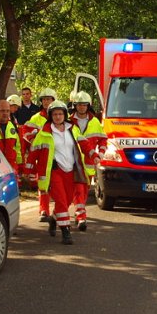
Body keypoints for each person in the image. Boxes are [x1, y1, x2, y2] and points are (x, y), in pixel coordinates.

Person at [27, 100, 88, 245]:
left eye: (60, 114)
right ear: (51, 116)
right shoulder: (45, 132)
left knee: (67, 201)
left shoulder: (72, 129)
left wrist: (94, 155)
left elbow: (84, 144)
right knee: (60, 200)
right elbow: (33, 153)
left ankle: (54, 219)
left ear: (65, 115)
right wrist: (28, 170)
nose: (58, 117)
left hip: (70, 171)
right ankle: (66, 232)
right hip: (55, 172)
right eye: (55, 114)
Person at [69, 91, 106, 231]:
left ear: (88, 106)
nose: (82, 107)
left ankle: (78, 212)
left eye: (84, 105)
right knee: (78, 190)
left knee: (82, 192)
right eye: (79, 105)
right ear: (75, 106)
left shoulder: (95, 122)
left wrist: (101, 153)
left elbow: (103, 139)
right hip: (72, 162)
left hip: (89, 164)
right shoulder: (68, 121)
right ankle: (81, 217)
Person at [22, 88, 57, 222]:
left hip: (58, 157)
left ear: (54, 100)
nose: (46, 102)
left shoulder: (59, 115)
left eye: (49, 99)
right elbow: (26, 132)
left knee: (57, 185)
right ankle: (44, 210)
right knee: (43, 184)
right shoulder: (36, 117)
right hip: (42, 156)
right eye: (44, 99)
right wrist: (35, 139)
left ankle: (58, 210)